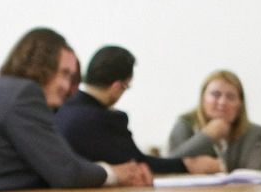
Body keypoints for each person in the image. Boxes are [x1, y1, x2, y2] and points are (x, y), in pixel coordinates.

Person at [0, 28, 152, 192]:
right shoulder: (25, 94)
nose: (67, 86)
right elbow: (67, 172)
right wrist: (116, 173)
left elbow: (60, 167)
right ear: (40, 65)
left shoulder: (0, 91)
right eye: (64, 73)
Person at [57, 46, 222, 176]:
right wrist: (187, 165)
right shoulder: (107, 119)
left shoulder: (60, 109)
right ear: (117, 86)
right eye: (126, 87)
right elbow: (138, 164)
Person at [167, 70, 261, 172]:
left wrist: (222, 168)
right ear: (203, 99)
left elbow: (259, 175)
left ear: (240, 104)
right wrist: (207, 135)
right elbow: (167, 166)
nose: (222, 102)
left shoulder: (253, 133)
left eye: (230, 97)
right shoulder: (185, 125)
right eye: (216, 94)